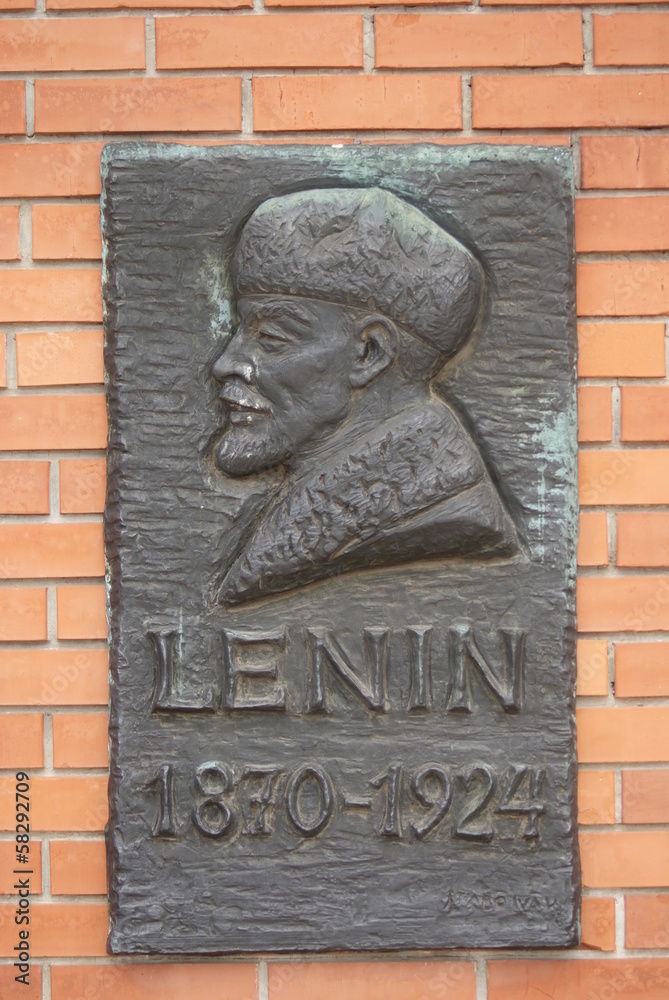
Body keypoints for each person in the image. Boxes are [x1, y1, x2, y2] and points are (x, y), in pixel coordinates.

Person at [212, 187, 519, 605]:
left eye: (270, 337)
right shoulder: (313, 519)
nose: (226, 363)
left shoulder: (441, 517)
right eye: (240, 332)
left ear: (369, 353)